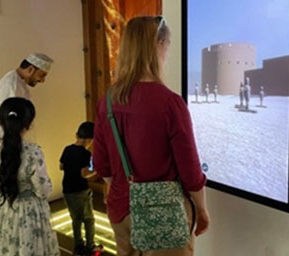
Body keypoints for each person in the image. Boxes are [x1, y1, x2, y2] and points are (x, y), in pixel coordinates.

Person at [93, 16, 209, 256]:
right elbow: (190, 170)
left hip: (120, 212)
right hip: (163, 213)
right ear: (158, 45)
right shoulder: (169, 103)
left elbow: (103, 166)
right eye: (167, 45)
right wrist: (202, 209)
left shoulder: (107, 102)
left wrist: (127, 190)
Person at [0, 52, 54, 230]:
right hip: (7, 152)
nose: (42, 81)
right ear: (31, 69)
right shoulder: (10, 85)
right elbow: (43, 189)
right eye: (41, 75)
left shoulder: (16, 83)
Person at [0, 97, 60, 255]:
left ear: (1, 122)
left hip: (0, 211)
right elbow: (43, 190)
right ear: (28, 124)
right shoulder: (34, 151)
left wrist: (1, 184)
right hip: (28, 214)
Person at [59, 121, 103, 255]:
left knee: (75, 219)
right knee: (88, 219)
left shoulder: (67, 149)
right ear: (90, 139)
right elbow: (84, 174)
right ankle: (90, 246)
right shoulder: (85, 154)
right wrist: (97, 170)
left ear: (77, 135)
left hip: (67, 189)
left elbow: (61, 166)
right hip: (81, 190)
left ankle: (78, 245)